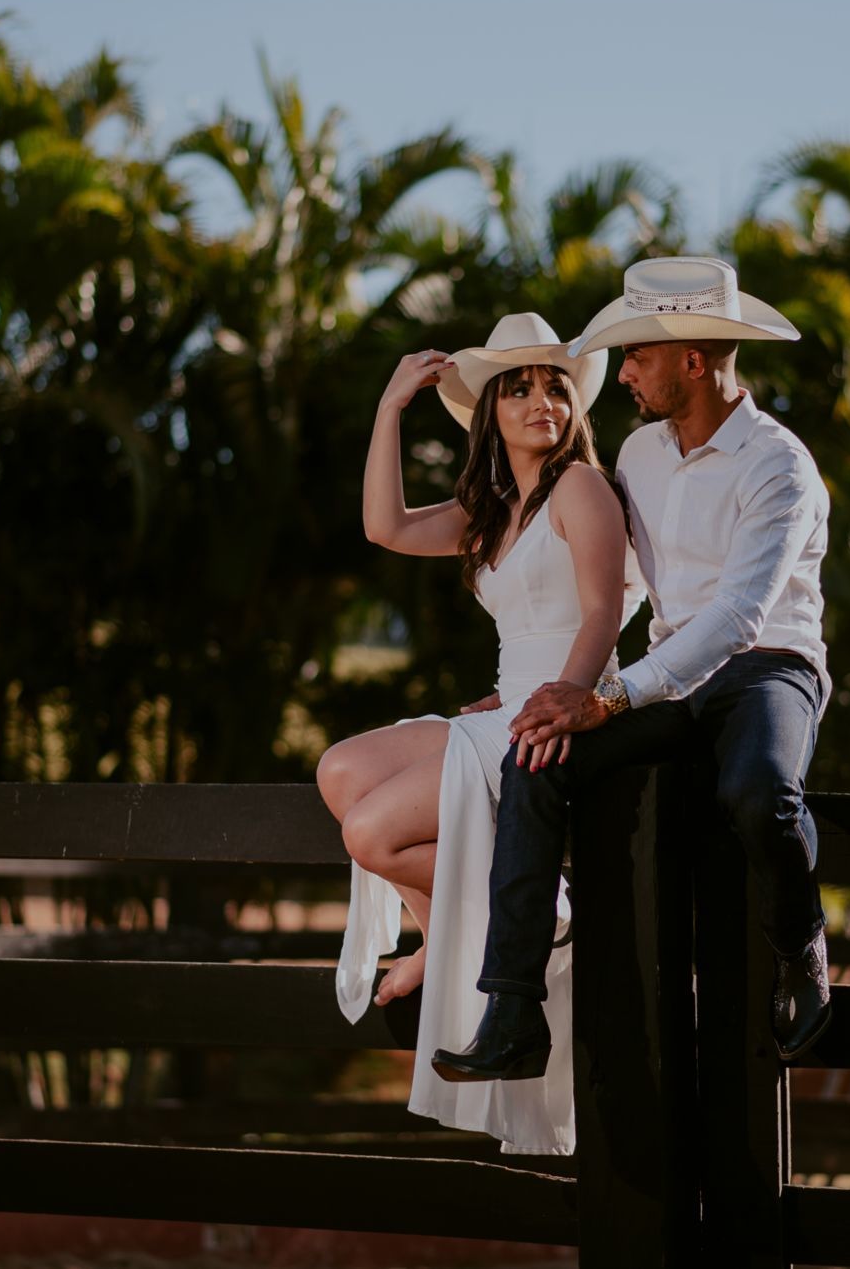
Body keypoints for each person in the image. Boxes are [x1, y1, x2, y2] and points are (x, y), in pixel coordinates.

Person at [431, 257, 835, 1084]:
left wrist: (608, 695)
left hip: (767, 670)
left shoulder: (780, 465)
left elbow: (738, 619)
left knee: (759, 794)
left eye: (637, 358)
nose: (622, 376)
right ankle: (512, 1011)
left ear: (692, 359)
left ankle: (800, 945)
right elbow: (596, 576)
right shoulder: (638, 456)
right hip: (670, 677)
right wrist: (536, 693)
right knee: (534, 759)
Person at [318, 313, 641, 1155]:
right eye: (521, 388)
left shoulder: (581, 488)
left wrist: (564, 696)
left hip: (561, 711)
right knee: (341, 770)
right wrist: (391, 406)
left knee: (369, 831)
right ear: (490, 411)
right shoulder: (495, 510)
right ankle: (439, 931)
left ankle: (534, 913)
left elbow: (603, 611)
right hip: (504, 707)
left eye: (556, 387)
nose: (543, 402)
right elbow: (383, 527)